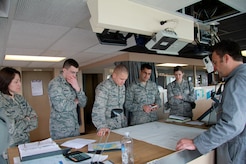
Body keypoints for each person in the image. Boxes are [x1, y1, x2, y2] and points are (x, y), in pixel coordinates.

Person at [176, 40, 246, 164]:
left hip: (238, 151)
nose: (214, 68)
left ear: (226, 58)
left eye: (215, 62)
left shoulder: (237, 82)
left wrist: (197, 142)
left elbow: (232, 124)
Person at [48, 58, 87, 139]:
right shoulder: (55, 84)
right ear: (64, 70)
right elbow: (61, 107)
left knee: (76, 151)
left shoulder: (73, 83)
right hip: (61, 130)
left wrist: (77, 88)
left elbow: (83, 103)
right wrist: (75, 102)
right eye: (72, 72)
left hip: (74, 128)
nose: (74, 76)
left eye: (76, 73)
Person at [0, 67, 38, 147]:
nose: (19, 84)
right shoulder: (2, 101)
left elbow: (34, 120)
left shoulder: (20, 98)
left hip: (25, 143)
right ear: (6, 82)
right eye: (16, 82)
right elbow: (10, 129)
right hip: (9, 147)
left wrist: (21, 122)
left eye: (20, 81)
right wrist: (27, 119)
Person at [92, 64, 128, 136]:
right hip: (107, 127)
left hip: (121, 125)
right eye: (121, 79)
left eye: (125, 79)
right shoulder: (104, 87)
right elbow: (98, 109)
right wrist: (101, 126)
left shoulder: (122, 87)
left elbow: (120, 106)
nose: (123, 82)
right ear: (114, 75)